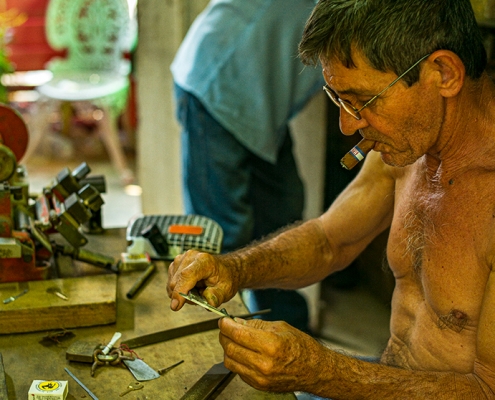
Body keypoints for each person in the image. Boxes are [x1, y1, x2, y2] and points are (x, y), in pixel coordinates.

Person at [168, 0, 495, 397]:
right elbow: (329, 241)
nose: (347, 125)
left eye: (364, 101)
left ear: (444, 73)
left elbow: (487, 389)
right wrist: (234, 269)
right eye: (340, 100)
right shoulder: (408, 146)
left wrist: (323, 373)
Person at [171, 0, 324, 332]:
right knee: (224, 234)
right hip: (219, 81)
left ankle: (288, 332)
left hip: (264, 100)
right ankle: (219, 338)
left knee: (282, 221)